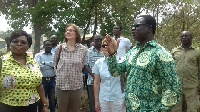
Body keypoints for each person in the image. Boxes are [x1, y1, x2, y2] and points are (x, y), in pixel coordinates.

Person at [104, 15, 181, 111]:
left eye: (137, 26)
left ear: (149, 28)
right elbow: (115, 72)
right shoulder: (132, 52)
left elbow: (174, 89)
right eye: (132, 26)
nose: (133, 28)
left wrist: (160, 110)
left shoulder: (161, 54)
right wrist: (112, 54)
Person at [0, 30, 48, 112]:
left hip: (31, 107)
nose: (19, 44)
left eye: (23, 42)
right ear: (10, 44)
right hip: (8, 107)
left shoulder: (33, 63)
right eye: (15, 41)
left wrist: (45, 105)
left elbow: (39, 85)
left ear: (28, 46)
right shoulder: (2, 62)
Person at [54, 23, 87, 112]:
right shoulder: (59, 48)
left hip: (76, 87)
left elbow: (82, 65)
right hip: (61, 87)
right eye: (67, 30)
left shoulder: (83, 50)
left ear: (76, 34)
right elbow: (55, 64)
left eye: (71, 30)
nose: (68, 32)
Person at [171, 31, 200, 112]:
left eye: (186, 36)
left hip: (192, 85)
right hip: (176, 84)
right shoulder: (174, 51)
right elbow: (170, 68)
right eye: (182, 36)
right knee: (175, 108)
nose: (184, 38)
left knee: (192, 108)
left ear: (191, 38)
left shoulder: (197, 51)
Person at [93, 41, 126, 112]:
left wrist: (127, 98)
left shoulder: (121, 61)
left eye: (109, 45)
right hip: (103, 99)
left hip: (118, 99)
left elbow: (127, 80)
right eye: (104, 46)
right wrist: (96, 101)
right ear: (102, 48)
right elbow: (96, 83)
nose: (106, 47)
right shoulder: (98, 63)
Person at [84, 35, 104, 112]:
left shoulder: (104, 51)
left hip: (103, 83)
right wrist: (94, 76)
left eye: (100, 39)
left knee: (102, 103)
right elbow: (85, 65)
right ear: (93, 41)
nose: (99, 41)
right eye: (97, 40)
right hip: (92, 82)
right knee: (93, 104)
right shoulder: (89, 51)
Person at [35, 40, 56, 112]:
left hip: (52, 80)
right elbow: (38, 66)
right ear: (44, 46)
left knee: (52, 100)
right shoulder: (38, 55)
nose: (49, 46)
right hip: (42, 81)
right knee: (42, 100)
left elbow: (55, 65)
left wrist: (44, 63)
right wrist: (50, 65)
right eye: (47, 45)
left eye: (50, 45)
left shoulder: (54, 55)